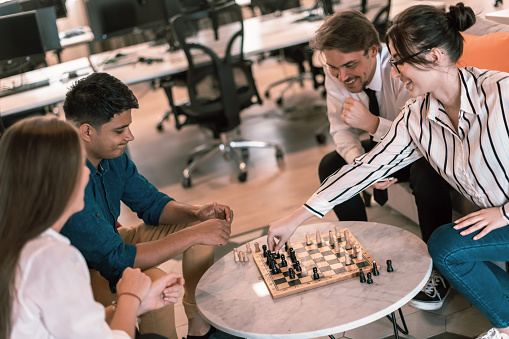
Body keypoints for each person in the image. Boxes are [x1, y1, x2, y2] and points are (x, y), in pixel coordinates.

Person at [268, 3, 509, 338]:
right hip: (497, 221)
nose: (394, 73)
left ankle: (505, 325)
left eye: (399, 62)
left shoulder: (501, 92)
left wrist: (504, 212)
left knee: (444, 246)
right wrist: (297, 216)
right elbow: (368, 166)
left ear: (436, 56)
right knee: (443, 249)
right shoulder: (416, 116)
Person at [61, 72, 233, 339]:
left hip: (109, 244)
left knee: (199, 224)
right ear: (86, 131)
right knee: (154, 281)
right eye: (119, 130)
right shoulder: (69, 181)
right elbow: (116, 261)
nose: (129, 136)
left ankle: (200, 328)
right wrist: (195, 234)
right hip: (79, 274)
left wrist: (196, 213)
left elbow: (151, 204)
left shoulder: (111, 154)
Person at [312, 9, 453, 310]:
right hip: (381, 150)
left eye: (349, 65)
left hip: (422, 148)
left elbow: (421, 138)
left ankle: (438, 269)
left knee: (427, 175)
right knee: (330, 164)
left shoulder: (402, 70)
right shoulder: (338, 73)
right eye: (333, 68)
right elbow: (340, 130)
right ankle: (359, 254)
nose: (342, 77)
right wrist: (363, 164)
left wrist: (373, 124)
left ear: (374, 50)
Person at [0, 117, 184, 339]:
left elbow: (73, 326)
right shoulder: (53, 259)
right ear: (57, 181)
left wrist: (138, 303)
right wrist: (130, 296)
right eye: (79, 165)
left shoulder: (18, 242)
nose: (87, 173)